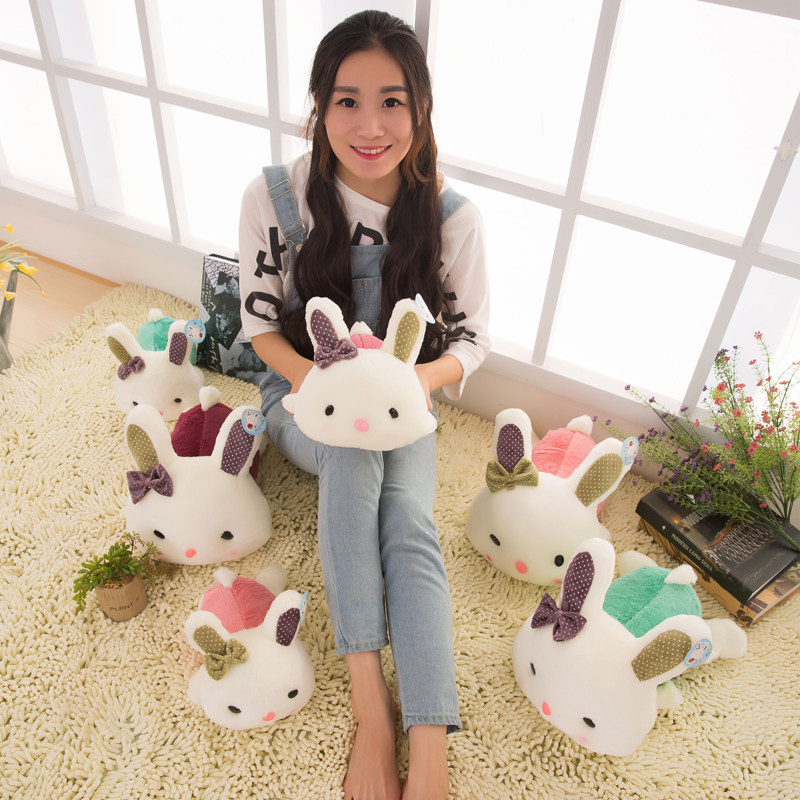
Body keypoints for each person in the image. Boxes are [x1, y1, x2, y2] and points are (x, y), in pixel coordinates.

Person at [238, 10, 489, 799]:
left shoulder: (452, 217)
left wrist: (410, 385)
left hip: (403, 402)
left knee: (408, 517)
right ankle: (371, 711)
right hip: (301, 398)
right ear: (319, 107)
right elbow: (259, 329)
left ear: (421, 110)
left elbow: (471, 342)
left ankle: (429, 742)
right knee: (351, 457)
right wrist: (327, 387)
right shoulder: (275, 197)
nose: (369, 126)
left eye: (392, 102)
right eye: (347, 101)